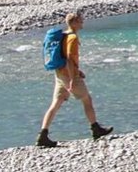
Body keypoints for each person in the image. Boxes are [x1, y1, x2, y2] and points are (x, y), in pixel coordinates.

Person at [37, 12, 113, 147]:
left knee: (56, 103)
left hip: (59, 74)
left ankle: (43, 135)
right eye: (80, 21)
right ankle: (96, 129)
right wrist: (73, 78)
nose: (82, 23)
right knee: (87, 100)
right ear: (74, 23)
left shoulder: (64, 36)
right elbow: (69, 60)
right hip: (68, 75)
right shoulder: (72, 38)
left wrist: (78, 71)